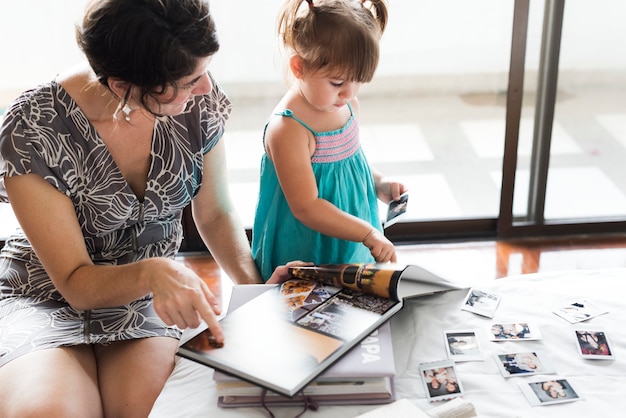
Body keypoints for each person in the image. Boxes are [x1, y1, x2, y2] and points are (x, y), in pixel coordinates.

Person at [0, 1, 295, 416]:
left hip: (145, 297)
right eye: (189, 80)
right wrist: (156, 272)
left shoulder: (197, 104)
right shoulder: (32, 127)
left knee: (155, 409)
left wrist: (257, 294)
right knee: (51, 412)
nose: (206, 88)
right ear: (122, 86)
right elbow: (74, 281)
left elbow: (214, 213)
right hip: (45, 292)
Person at [251, 0, 408, 281]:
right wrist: (367, 232)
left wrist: (379, 183)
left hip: (352, 235)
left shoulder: (346, 107)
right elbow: (306, 206)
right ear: (298, 67)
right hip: (309, 243)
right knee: (308, 308)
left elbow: (350, 163)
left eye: (358, 81)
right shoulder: (289, 128)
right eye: (337, 83)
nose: (349, 93)